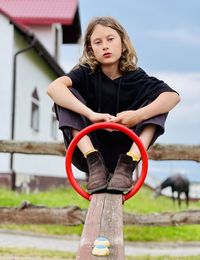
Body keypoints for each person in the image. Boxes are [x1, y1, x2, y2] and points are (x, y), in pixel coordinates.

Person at [47, 16, 180, 194]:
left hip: (123, 152)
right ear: (90, 49)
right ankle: (93, 160)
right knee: (65, 96)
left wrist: (137, 115)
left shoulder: (136, 77)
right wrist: (91, 114)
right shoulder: (85, 73)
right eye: (98, 42)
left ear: (123, 43)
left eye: (110, 39)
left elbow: (173, 97)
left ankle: (129, 162)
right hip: (88, 152)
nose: (105, 46)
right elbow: (53, 88)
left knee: (158, 104)